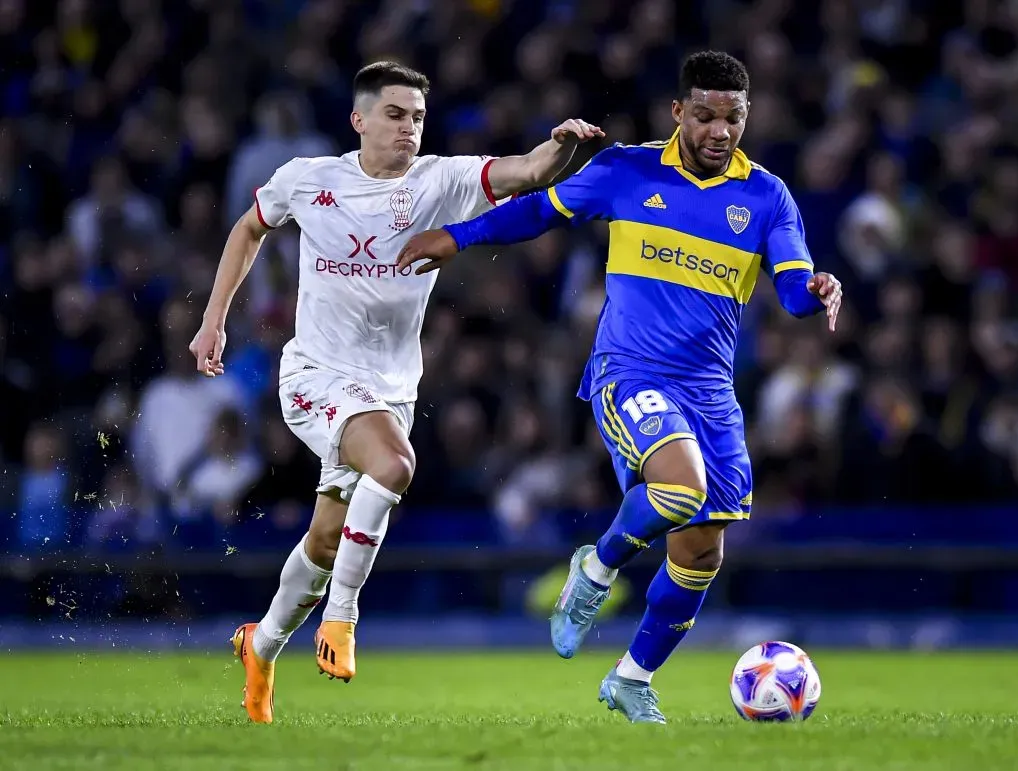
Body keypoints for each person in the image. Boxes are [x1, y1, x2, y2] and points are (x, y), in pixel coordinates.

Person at [395, 51, 842, 724]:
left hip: (711, 394)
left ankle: (631, 678)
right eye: (706, 115)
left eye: (734, 117)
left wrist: (815, 293)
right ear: (678, 113)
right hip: (629, 370)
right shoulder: (627, 170)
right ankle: (595, 570)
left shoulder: (767, 195)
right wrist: (456, 238)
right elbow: (538, 213)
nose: (721, 131)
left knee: (700, 552)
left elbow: (790, 285)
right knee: (679, 488)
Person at [189, 60, 603, 724]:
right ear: (359, 119)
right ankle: (343, 618)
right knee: (396, 464)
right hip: (314, 377)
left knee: (326, 543)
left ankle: (260, 646)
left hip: (388, 391)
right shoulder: (308, 178)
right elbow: (248, 229)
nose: (408, 128)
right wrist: (213, 322)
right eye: (394, 114)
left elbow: (527, 171)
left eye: (416, 117)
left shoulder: (439, 180)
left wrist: (565, 146)